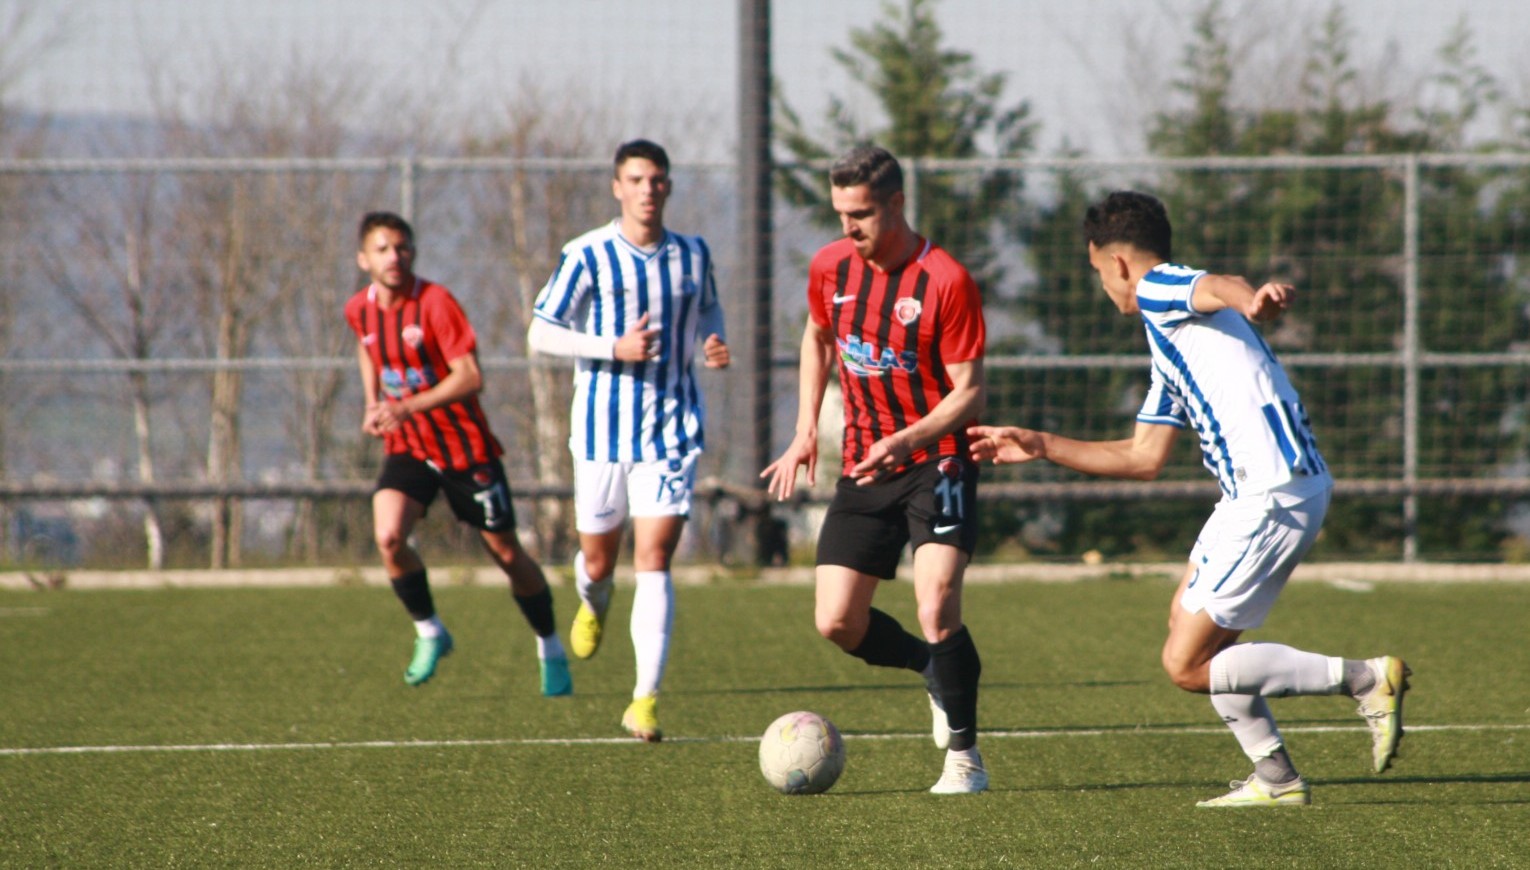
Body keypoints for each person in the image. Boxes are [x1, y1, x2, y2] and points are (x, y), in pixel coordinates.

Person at [967, 190, 1411, 807]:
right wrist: (1041, 444)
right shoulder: (1174, 341)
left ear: (1116, 262)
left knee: (1184, 664)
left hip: (1272, 492)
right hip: (1258, 494)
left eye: (1097, 272)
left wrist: (1251, 298)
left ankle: (1364, 679)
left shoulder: (1159, 289)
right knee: (1188, 626)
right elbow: (1142, 457)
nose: (1103, 286)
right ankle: (1276, 779)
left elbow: (1218, 282)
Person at [761, 145, 990, 794]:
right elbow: (817, 336)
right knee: (836, 621)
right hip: (866, 462)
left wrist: (908, 439)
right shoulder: (831, 267)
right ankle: (931, 671)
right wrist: (806, 427)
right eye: (839, 214)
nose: (848, 229)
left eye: (860, 214)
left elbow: (970, 393)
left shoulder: (945, 280)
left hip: (938, 456)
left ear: (896, 203)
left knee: (936, 600)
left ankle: (966, 759)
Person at [527, 139, 730, 742]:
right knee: (597, 560)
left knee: (656, 558)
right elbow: (541, 333)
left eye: (657, 180)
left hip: (671, 429)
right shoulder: (588, 254)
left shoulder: (693, 255)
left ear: (668, 188)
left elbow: (710, 313)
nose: (648, 189)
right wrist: (609, 348)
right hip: (601, 433)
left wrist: (714, 343)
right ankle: (594, 599)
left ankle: (644, 700)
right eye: (636, 179)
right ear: (618, 187)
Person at [344, 211, 571, 695]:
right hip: (409, 448)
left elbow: (470, 375)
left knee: (506, 553)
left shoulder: (435, 303)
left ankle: (549, 644)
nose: (394, 257)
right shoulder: (359, 310)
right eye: (383, 249)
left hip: (464, 450)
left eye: (402, 247)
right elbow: (366, 348)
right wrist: (373, 402)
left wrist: (406, 405)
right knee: (388, 537)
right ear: (363, 259)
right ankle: (431, 631)